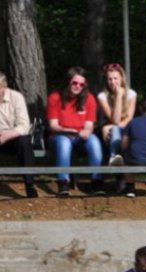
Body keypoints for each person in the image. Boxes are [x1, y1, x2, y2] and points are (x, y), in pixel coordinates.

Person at [47, 66, 104, 196]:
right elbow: (53, 125)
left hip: (80, 136)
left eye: (81, 84)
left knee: (94, 141)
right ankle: (63, 182)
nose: (78, 86)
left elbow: (89, 125)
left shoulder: (89, 98)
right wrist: (68, 130)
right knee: (64, 143)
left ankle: (97, 181)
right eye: (75, 82)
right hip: (60, 135)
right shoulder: (55, 97)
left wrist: (87, 132)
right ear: (68, 81)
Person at [0, 70, 38, 198]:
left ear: (4, 87)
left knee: (25, 143)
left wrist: (7, 135)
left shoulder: (16, 97)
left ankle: (30, 185)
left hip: (12, 137)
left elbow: (24, 125)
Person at [97, 63, 137, 168]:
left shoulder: (132, 94)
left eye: (115, 78)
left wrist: (112, 126)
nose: (113, 82)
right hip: (110, 135)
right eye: (109, 79)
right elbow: (115, 119)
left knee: (115, 129)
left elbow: (129, 119)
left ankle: (114, 158)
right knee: (115, 130)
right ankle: (114, 159)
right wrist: (118, 97)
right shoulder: (102, 96)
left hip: (126, 129)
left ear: (122, 78)